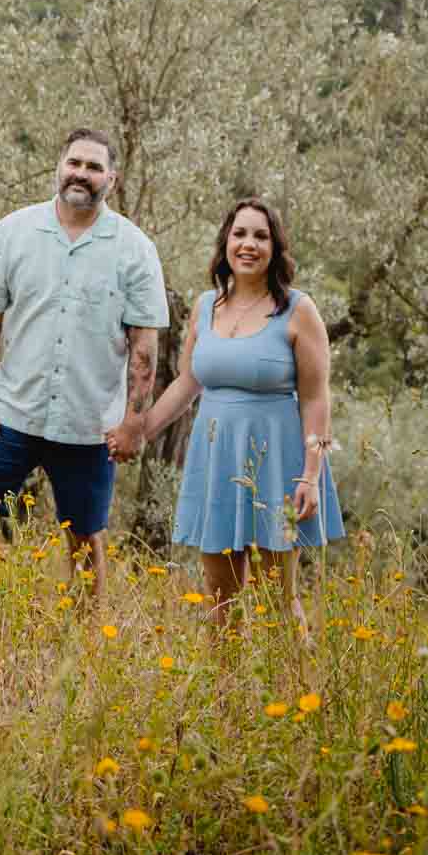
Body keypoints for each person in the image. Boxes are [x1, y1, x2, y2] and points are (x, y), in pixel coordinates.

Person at [0, 128, 169, 593]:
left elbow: (144, 346)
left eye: (94, 166)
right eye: (74, 163)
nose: (81, 173)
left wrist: (132, 422)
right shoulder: (12, 232)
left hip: (88, 424)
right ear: (59, 167)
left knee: (84, 540)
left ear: (113, 180)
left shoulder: (135, 248)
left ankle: (86, 648)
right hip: (11, 415)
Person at [131, 196, 344, 630]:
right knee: (218, 602)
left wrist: (311, 474)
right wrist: (140, 430)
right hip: (215, 461)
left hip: (278, 466)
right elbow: (188, 383)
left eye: (261, 236)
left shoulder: (298, 310)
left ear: (275, 248)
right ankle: (225, 696)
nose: (249, 244)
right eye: (240, 233)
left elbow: (317, 399)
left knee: (277, 600)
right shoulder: (206, 305)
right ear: (226, 242)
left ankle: (294, 693)